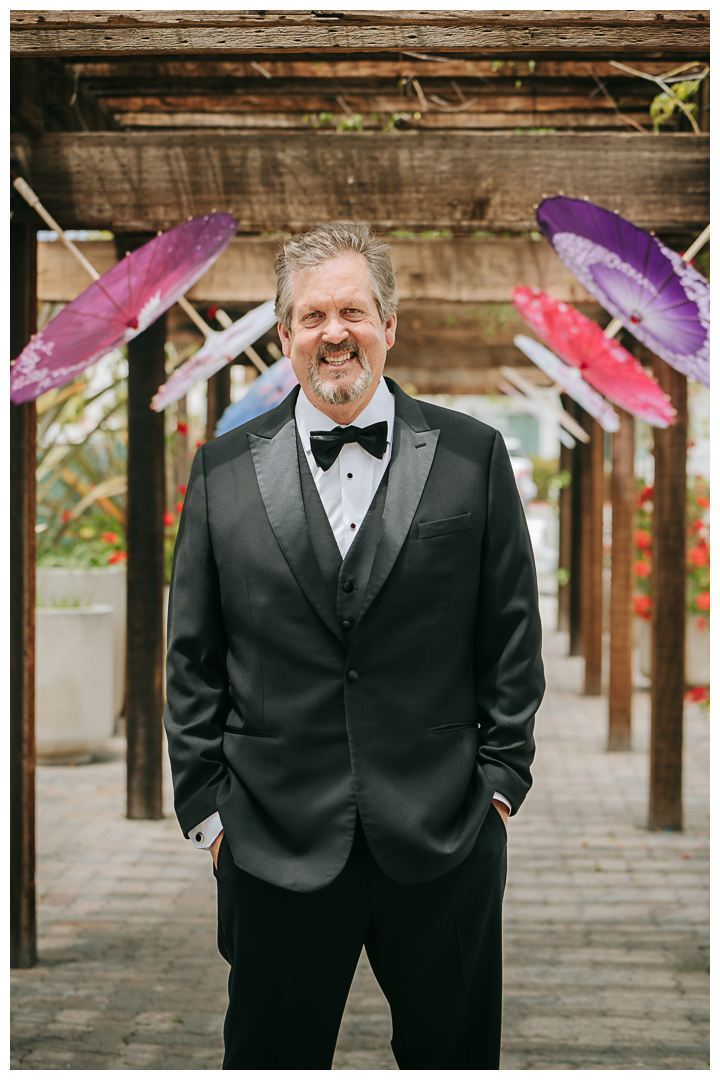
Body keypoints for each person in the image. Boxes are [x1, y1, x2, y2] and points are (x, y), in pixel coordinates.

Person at [164, 222, 545, 1070]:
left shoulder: (472, 456)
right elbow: (192, 654)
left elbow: (512, 632)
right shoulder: (221, 471)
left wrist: (501, 785)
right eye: (311, 316)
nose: (333, 333)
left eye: (352, 311)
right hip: (269, 841)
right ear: (285, 336)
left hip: (446, 834)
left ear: (390, 325)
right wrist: (208, 815)